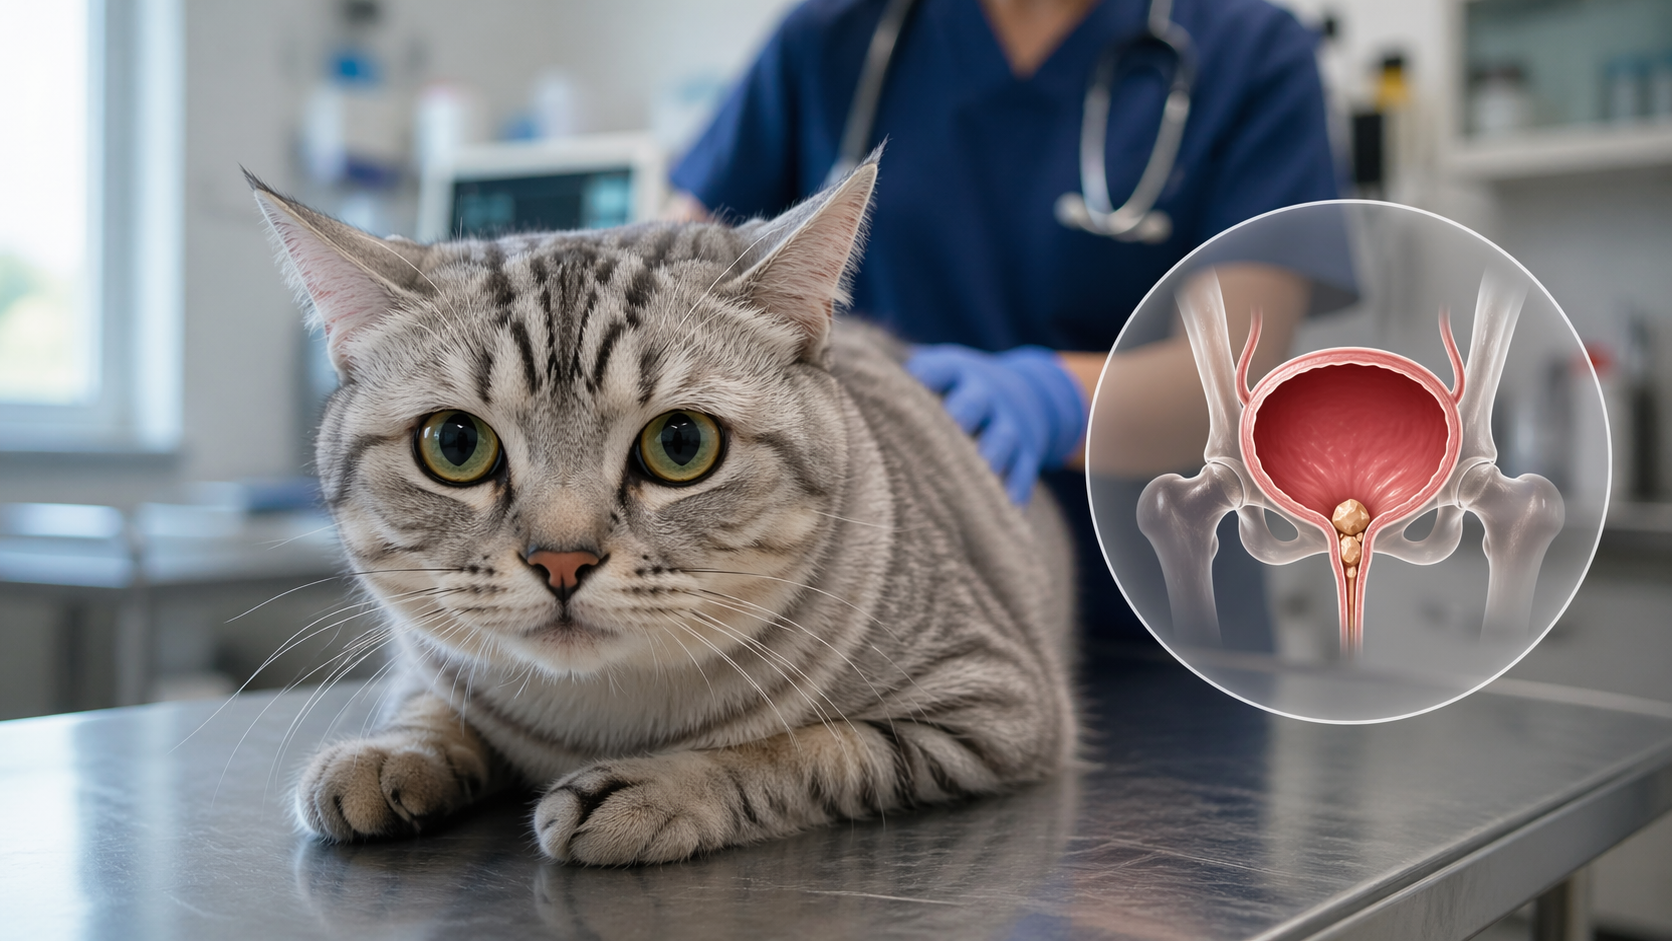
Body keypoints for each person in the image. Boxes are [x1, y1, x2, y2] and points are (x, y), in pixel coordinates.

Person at [669, 0, 1339, 643]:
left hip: (1154, 625)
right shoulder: (829, 41)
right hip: (867, 629)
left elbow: (1234, 377)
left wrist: (1052, 401)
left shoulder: (1251, 52)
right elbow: (662, 292)